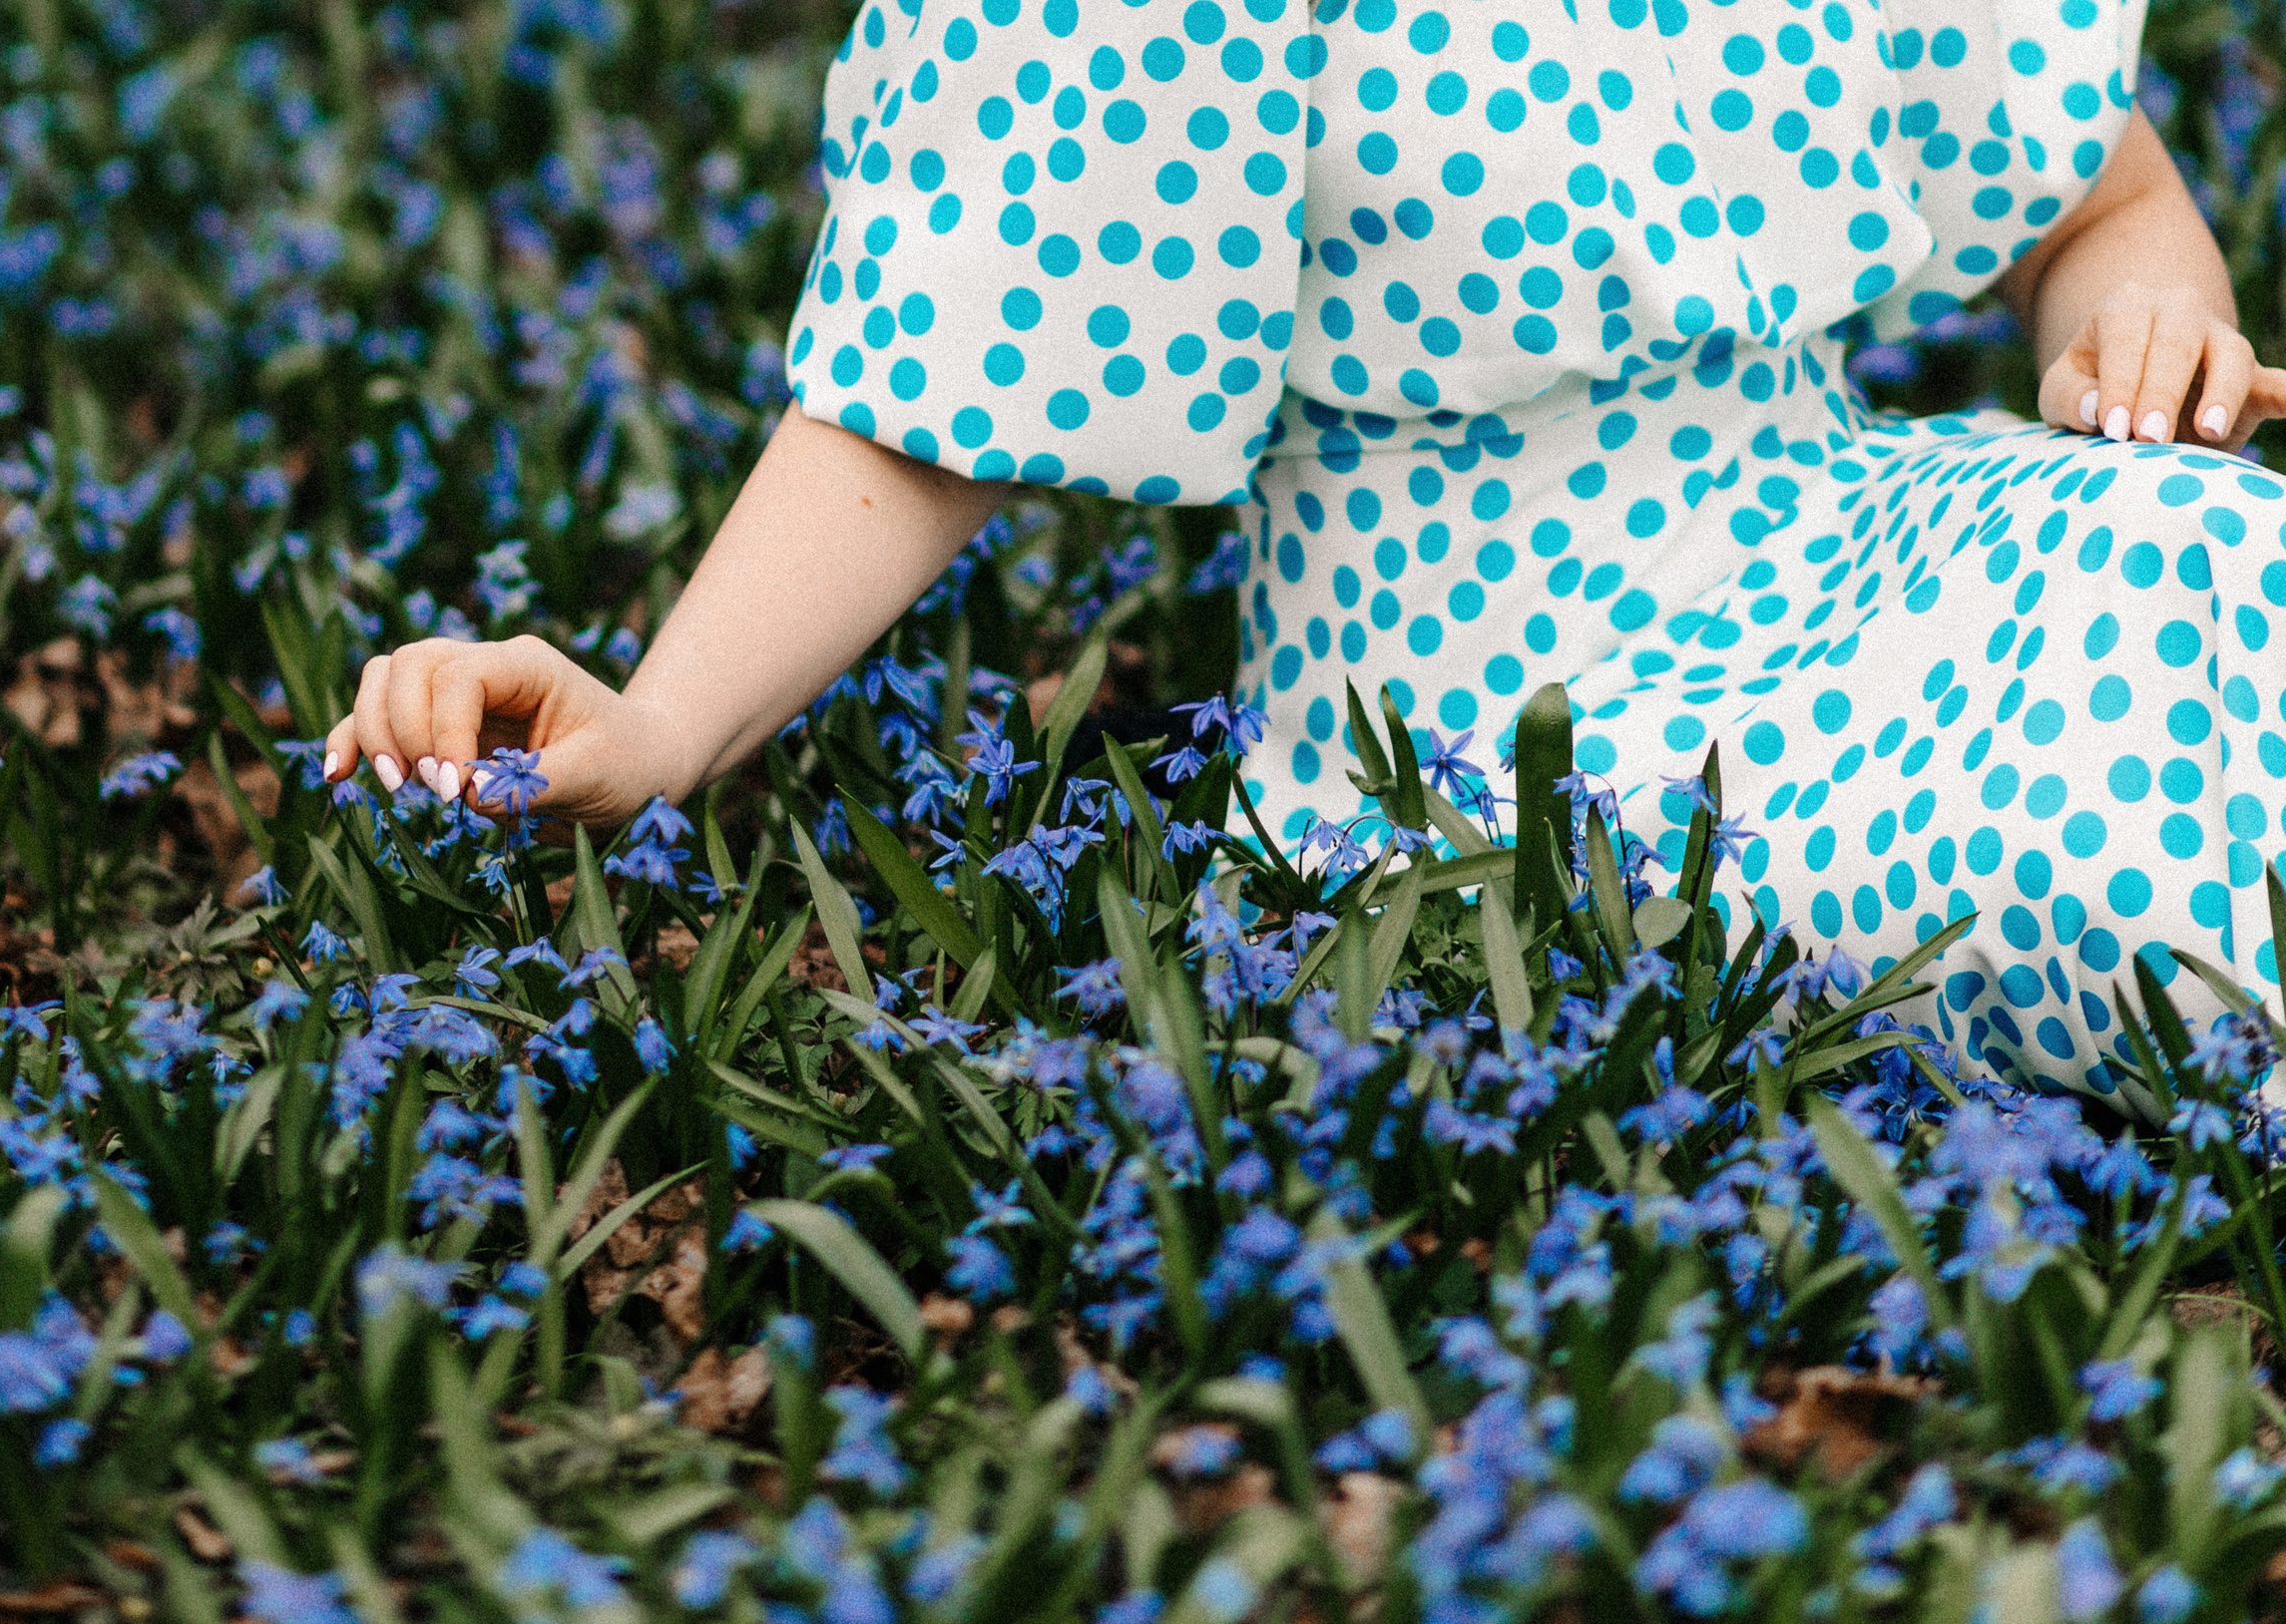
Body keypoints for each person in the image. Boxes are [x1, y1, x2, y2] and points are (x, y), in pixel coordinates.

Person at [329, 0, 2286, 1101]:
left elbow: (2094, 195)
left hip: (1842, 523)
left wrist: (2128, 325)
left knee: (2184, 554)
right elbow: (947, 391)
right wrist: (661, 726)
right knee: (2070, 840)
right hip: (1498, 718)